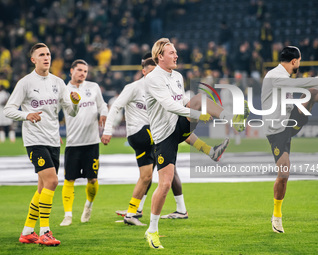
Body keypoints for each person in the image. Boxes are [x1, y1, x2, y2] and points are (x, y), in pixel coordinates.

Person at [143, 38, 247, 249]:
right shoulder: (153, 78)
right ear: (160, 56)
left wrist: (195, 112)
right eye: (172, 53)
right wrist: (196, 114)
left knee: (199, 97)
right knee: (164, 184)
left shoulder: (178, 77)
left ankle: (231, 118)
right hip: (164, 136)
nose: (176, 55)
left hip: (180, 126)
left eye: (175, 52)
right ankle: (151, 230)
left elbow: (181, 102)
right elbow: (169, 105)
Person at [101, 55, 229, 226]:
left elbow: (180, 100)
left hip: (153, 133)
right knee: (171, 134)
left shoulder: (162, 85)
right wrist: (108, 130)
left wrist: (189, 106)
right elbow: (116, 106)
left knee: (153, 174)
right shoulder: (133, 88)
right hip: (140, 132)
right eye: (152, 72)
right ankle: (209, 151)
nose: (156, 75)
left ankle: (138, 211)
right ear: (143, 72)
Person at [4, 43, 80, 246]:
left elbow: (71, 113)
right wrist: (26, 115)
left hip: (53, 140)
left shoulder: (58, 83)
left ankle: (27, 231)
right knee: (53, 181)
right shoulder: (25, 83)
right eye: (41, 55)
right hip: (34, 140)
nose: (46, 57)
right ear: (33, 60)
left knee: (43, 187)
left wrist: (74, 102)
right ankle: (44, 231)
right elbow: (8, 109)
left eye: (48, 54)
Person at [261, 46, 318, 234]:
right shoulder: (274, 76)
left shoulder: (283, 77)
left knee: (311, 93)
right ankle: (276, 216)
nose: (300, 64)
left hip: (288, 121)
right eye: (300, 60)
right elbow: (304, 83)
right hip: (277, 131)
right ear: (294, 61)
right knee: (284, 174)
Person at [60, 59, 108, 226]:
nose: (82, 73)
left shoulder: (93, 87)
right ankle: (68, 215)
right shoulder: (63, 90)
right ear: (71, 70)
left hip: (92, 142)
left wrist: (103, 114)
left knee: (92, 180)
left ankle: (88, 205)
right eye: (79, 70)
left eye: (85, 71)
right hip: (73, 143)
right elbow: (54, 114)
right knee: (69, 180)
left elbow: (103, 105)